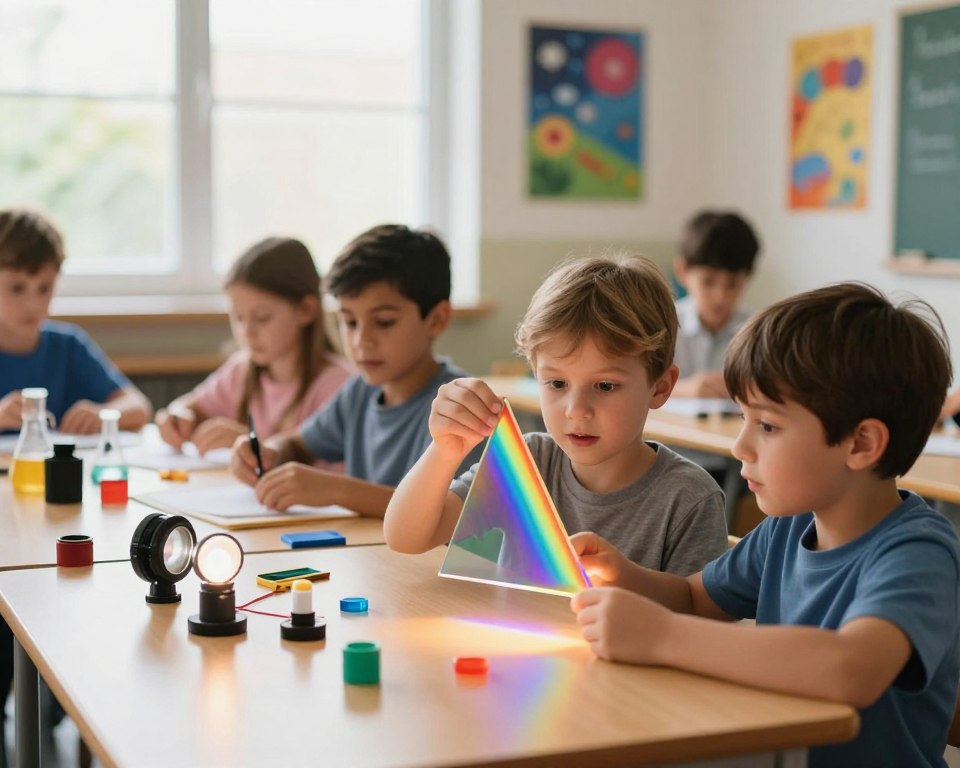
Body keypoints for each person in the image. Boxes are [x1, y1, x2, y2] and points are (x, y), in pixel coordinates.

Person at [570, 283, 959, 768]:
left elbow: (851, 668)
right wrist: (622, 575)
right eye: (743, 418)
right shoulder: (789, 526)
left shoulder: (918, 552)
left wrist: (662, 636)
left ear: (861, 444)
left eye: (768, 427)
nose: (740, 447)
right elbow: (695, 599)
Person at [384, 255, 728, 574]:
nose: (577, 410)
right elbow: (405, 538)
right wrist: (444, 451)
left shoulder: (689, 498)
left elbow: (698, 614)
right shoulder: (529, 462)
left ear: (660, 387)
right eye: (557, 383)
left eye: (605, 386)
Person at [230, 223, 478, 518]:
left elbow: (443, 516)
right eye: (349, 322)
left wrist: (336, 490)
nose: (361, 341)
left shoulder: (459, 409)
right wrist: (267, 451)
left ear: (436, 320)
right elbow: (297, 444)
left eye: (384, 322)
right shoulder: (361, 391)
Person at [155, 237, 352, 455]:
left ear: (306, 310)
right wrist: (178, 416)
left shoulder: (336, 386)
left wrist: (251, 446)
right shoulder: (241, 370)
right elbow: (191, 406)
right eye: (238, 318)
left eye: (262, 318)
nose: (247, 332)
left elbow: (326, 473)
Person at [0, 208, 151, 434]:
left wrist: (104, 415)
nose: (33, 303)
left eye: (45, 288)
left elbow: (139, 407)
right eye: (17, 288)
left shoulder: (67, 345)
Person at [672, 210, 760, 398]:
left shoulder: (758, 332)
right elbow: (639, 388)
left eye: (733, 284)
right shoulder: (663, 325)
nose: (720, 296)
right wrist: (687, 389)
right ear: (682, 272)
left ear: (748, 278)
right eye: (708, 281)